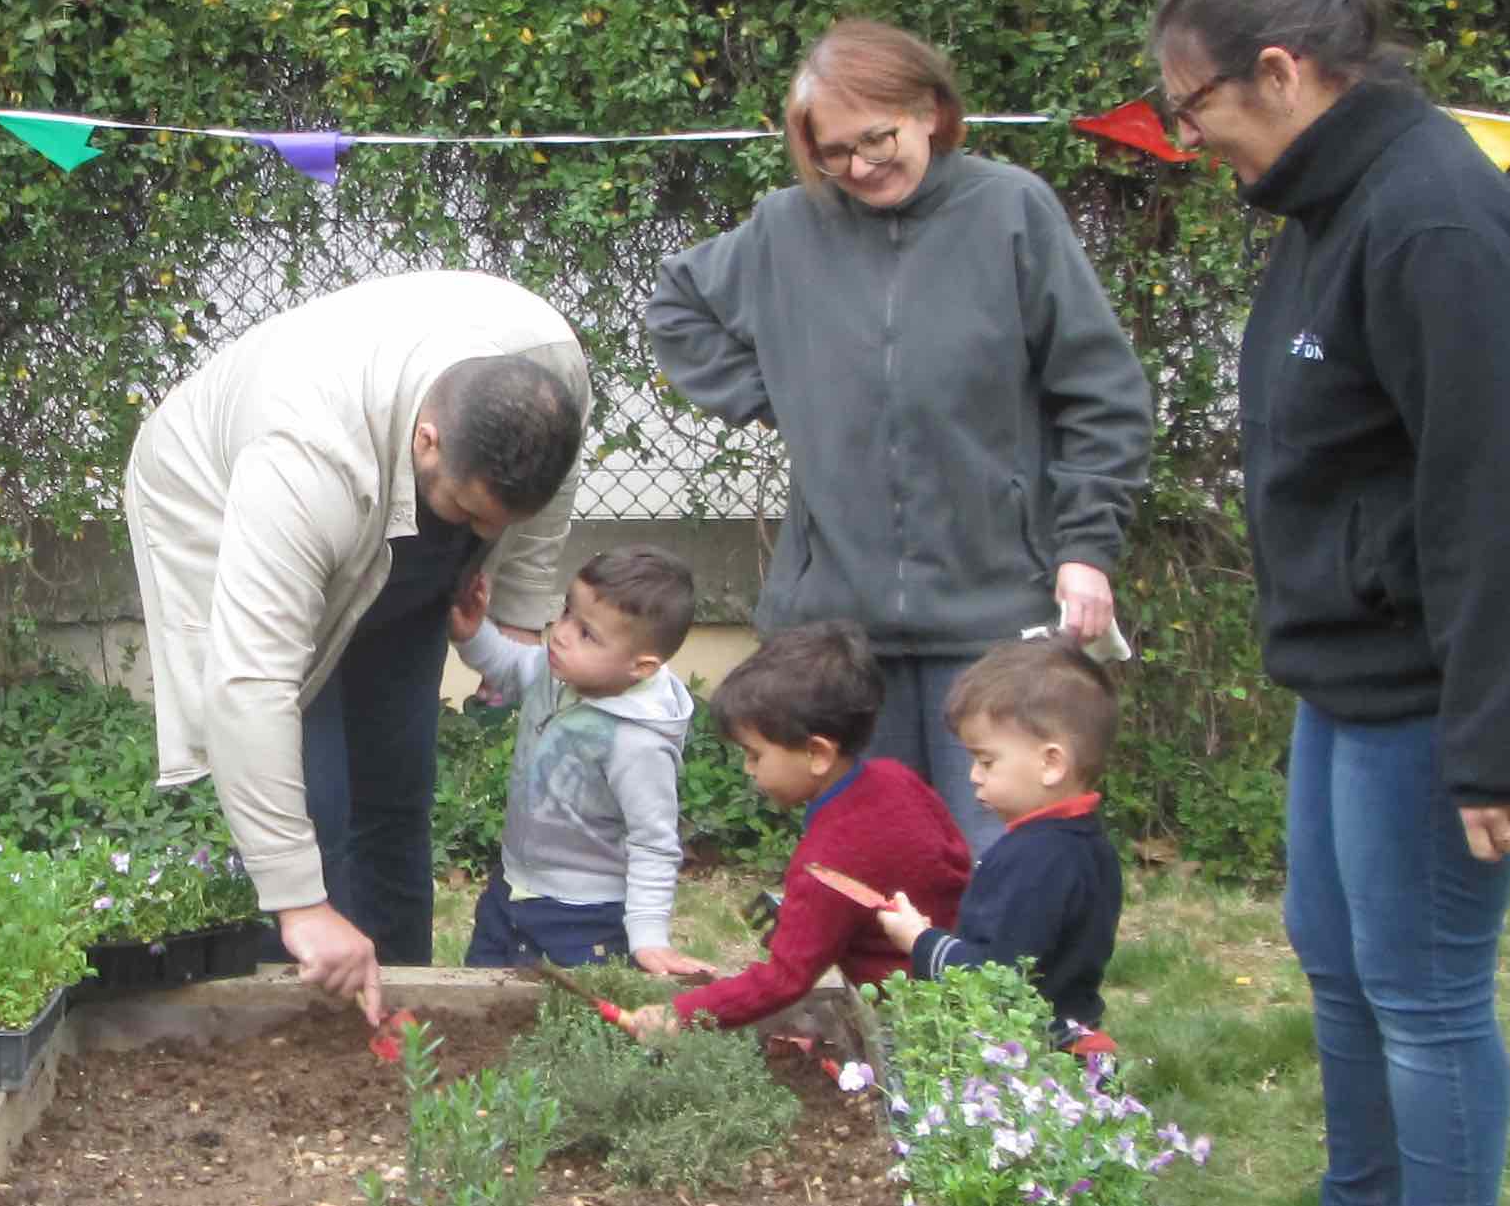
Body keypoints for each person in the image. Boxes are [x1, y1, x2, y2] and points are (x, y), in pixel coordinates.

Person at [1149, 0, 1510, 1206]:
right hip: (1360, 667)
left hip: (1445, 677)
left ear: (1281, 73)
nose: (1186, 132)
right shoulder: (1330, 206)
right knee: (1342, 967)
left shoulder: (1434, 224)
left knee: (1424, 994)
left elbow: (1505, 495)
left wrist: (1494, 743)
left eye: (1193, 101)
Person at [646, 20, 1154, 845]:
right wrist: (783, 396)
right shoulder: (785, 228)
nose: (858, 167)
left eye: (876, 139)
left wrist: (1085, 547)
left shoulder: (1012, 211)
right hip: (839, 630)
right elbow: (679, 305)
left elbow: (1101, 391)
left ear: (928, 111)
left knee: (1001, 870)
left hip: (995, 616)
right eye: (833, 153)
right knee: (874, 879)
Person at [127, 274, 592, 1018]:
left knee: (395, 786)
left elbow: (544, 501)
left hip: (388, 490)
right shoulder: (306, 458)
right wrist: (299, 900)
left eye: (493, 526)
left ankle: (402, 997)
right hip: (223, 498)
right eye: (469, 513)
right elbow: (252, 686)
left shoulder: (549, 369)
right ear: (428, 439)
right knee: (320, 803)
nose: (478, 540)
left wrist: (524, 608)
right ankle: (299, 1012)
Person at [655, 624, 972, 1034]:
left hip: (911, 1021)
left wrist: (680, 1013)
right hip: (960, 977)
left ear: (818, 753)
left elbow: (785, 979)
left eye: (754, 755)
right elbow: (956, 865)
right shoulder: (895, 779)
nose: (748, 771)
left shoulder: (829, 858)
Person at [818, 636, 1129, 1040]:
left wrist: (920, 940)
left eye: (986, 761)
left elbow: (992, 981)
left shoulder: (1030, 860)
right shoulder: (1087, 844)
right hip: (1073, 1037)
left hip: (1022, 1057)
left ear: (1051, 763)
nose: (973, 775)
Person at [455, 547, 699, 971]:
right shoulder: (557, 674)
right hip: (512, 886)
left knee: (572, 1019)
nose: (562, 633)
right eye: (567, 612)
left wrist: (648, 935)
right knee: (483, 1001)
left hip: (585, 916)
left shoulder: (637, 744)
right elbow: (510, 665)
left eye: (587, 634)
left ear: (640, 667)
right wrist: (473, 634)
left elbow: (653, 843)